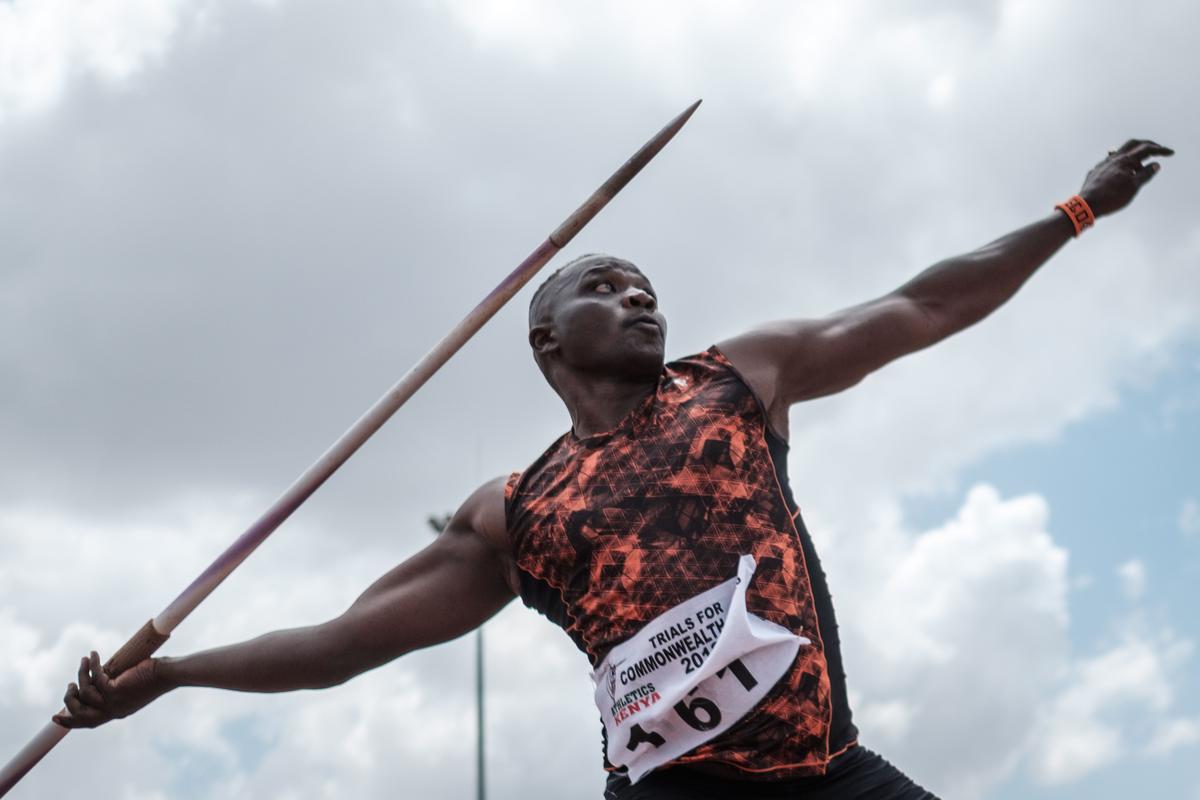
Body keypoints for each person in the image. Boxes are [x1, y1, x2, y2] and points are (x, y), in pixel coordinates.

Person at [56, 140, 1172, 798]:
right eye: (604, 286)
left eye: (646, 285)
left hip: (824, 774)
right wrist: (172, 674)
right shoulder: (516, 511)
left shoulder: (738, 380)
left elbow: (922, 304)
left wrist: (1074, 210)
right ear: (546, 339)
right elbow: (347, 641)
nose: (638, 297)